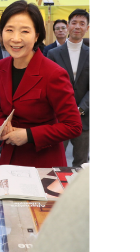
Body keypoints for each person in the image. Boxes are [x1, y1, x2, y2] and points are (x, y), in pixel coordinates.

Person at [0, 0, 82, 168]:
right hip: (9, 160)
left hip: (43, 162)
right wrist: (1, 126)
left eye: (25, 31)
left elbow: (73, 126)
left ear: (36, 36)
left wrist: (29, 135)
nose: (15, 38)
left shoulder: (53, 73)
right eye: (9, 30)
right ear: (1, 33)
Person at [48, 9, 90, 168]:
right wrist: (64, 109)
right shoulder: (53, 54)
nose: (77, 27)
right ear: (67, 26)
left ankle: (78, 193)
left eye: (82, 24)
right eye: (74, 23)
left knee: (81, 163)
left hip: (84, 118)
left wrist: (79, 109)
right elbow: (49, 85)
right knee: (56, 161)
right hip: (59, 116)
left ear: (87, 28)